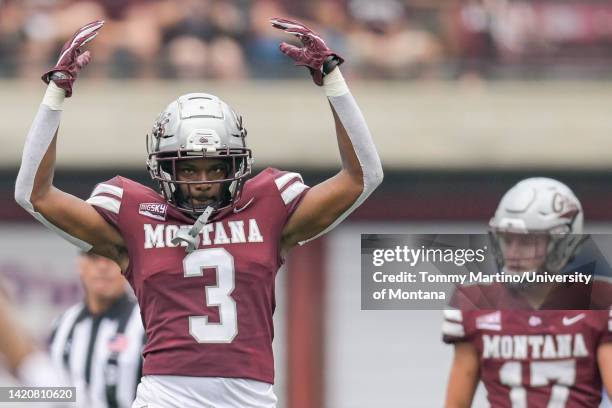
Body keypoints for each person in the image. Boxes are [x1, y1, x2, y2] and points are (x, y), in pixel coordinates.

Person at [15, 17, 383, 407]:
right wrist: (55, 95)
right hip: (165, 397)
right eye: (188, 168)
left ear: (236, 167)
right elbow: (34, 195)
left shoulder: (267, 208)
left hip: (250, 398)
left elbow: (363, 177)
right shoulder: (136, 217)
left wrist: (333, 81)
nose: (202, 180)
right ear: (163, 168)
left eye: (216, 168)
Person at [442, 178, 612, 407]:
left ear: (563, 242)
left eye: (527, 242)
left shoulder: (599, 302)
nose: (513, 252)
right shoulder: (476, 301)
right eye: (507, 239)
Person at [49, 251, 144, 408]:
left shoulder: (145, 324)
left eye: (112, 257)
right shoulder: (62, 325)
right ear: (80, 265)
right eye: (93, 257)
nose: (102, 266)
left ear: (126, 266)